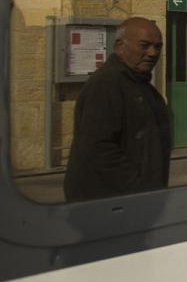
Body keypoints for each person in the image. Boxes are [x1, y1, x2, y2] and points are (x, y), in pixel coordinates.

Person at [64, 17, 171, 202]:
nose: (152, 53)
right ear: (121, 46)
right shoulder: (106, 84)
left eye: (158, 47)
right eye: (144, 45)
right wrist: (139, 189)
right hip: (108, 203)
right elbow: (98, 147)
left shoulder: (139, 84)